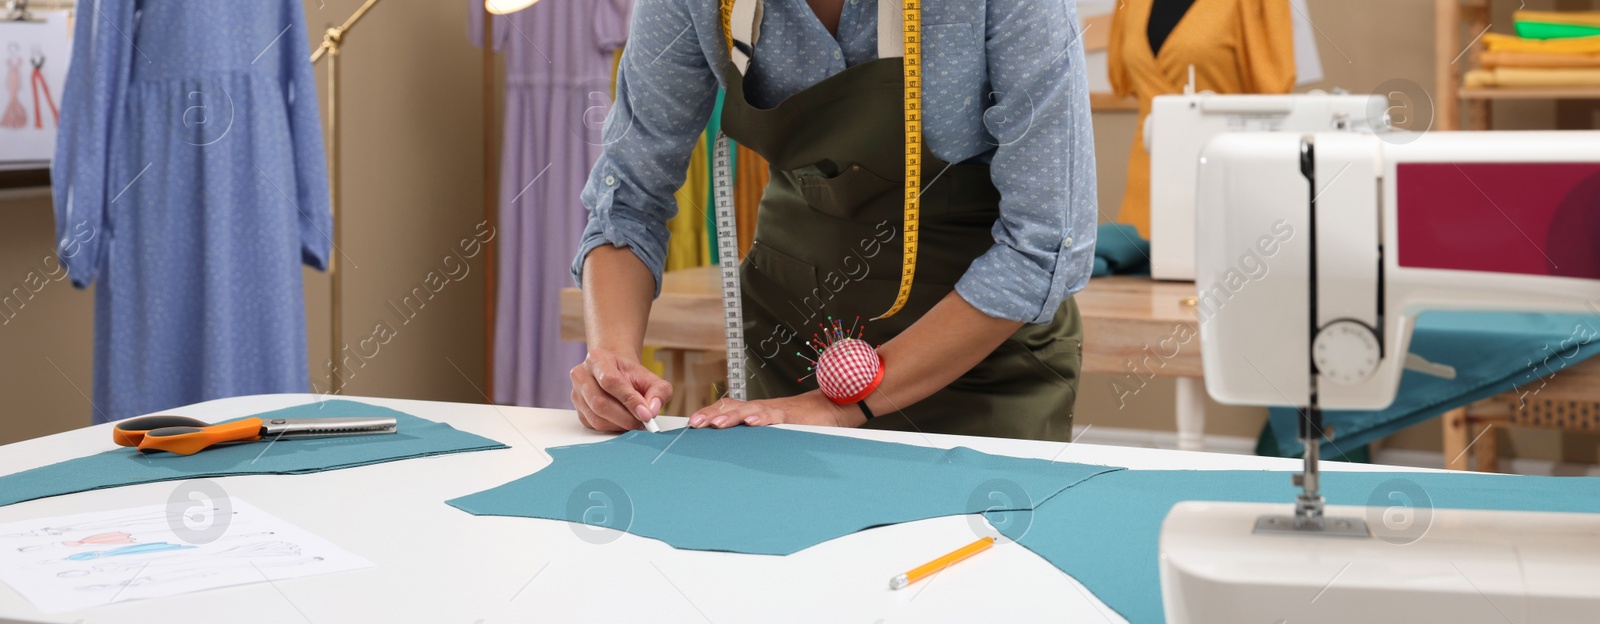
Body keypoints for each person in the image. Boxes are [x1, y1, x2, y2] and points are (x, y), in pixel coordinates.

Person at [568, 0, 1097, 442]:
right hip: (789, 349)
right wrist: (612, 359)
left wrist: (837, 406)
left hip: (981, 361)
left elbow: (1044, 243)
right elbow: (629, 195)